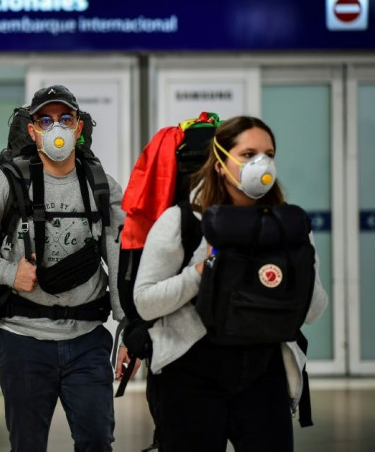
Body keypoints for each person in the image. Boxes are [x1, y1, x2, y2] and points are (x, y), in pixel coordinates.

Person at [0, 85, 130, 452]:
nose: (56, 127)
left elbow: (120, 258)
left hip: (87, 340)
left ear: (79, 128)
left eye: (65, 118)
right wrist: (6, 272)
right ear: (31, 130)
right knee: (27, 445)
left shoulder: (102, 187)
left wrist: (128, 328)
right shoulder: (1, 184)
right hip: (21, 340)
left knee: (97, 441)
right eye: (45, 120)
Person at [133, 116, 329, 451]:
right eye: (249, 153)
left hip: (263, 371)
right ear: (221, 161)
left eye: (268, 154)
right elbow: (145, 301)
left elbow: (313, 311)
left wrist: (299, 265)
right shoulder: (182, 222)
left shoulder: (288, 225)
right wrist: (201, 271)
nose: (261, 164)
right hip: (191, 372)